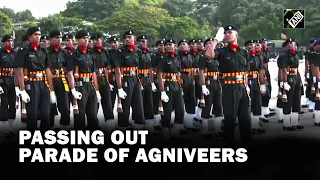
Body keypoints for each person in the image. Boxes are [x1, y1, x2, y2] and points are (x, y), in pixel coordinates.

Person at [205, 25, 252, 144]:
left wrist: (246, 86)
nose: (227, 34)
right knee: (230, 119)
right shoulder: (221, 52)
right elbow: (209, 55)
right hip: (229, 88)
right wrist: (216, 40)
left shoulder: (243, 52)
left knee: (245, 118)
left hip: (242, 87)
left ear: (236, 35)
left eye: (229, 32)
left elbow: (245, 71)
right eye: (225, 33)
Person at [15, 26, 56, 132]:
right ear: (29, 37)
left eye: (39, 34)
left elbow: (47, 70)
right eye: (35, 34)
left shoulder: (43, 50)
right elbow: (19, 71)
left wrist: (52, 91)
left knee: (45, 114)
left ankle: (44, 137)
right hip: (31, 85)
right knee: (32, 115)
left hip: (43, 83)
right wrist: (22, 90)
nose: (38, 36)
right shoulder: (23, 51)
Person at [67, 30, 100, 130]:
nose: (86, 40)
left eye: (87, 38)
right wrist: (73, 90)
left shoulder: (91, 54)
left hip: (90, 85)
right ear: (77, 40)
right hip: (79, 86)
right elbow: (70, 73)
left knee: (93, 114)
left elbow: (93, 73)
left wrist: (97, 90)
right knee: (80, 115)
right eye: (83, 38)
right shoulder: (73, 55)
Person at [115, 30, 145, 130]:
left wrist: (140, 81)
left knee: (138, 102)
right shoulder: (120, 51)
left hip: (136, 78)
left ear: (134, 39)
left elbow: (140, 67)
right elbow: (117, 70)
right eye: (125, 37)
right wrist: (119, 88)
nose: (127, 39)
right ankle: (123, 125)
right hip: (125, 78)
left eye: (129, 37)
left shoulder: (138, 51)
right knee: (125, 103)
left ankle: (138, 124)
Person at [157, 39, 187, 139]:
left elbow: (178, 73)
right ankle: (165, 131)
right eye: (167, 45)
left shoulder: (177, 58)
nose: (169, 46)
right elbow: (159, 75)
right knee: (167, 109)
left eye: (171, 44)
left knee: (180, 109)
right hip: (167, 84)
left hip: (176, 85)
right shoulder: (163, 58)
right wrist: (162, 91)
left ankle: (176, 130)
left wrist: (181, 86)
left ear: (174, 45)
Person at [198, 38, 223, 138]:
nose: (210, 45)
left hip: (217, 82)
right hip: (208, 82)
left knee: (218, 105)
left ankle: (217, 129)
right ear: (205, 46)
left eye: (211, 43)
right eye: (208, 43)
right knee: (207, 105)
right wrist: (203, 86)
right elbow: (201, 72)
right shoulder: (203, 56)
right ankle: (205, 130)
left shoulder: (217, 55)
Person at [47, 30, 71, 130]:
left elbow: (68, 68)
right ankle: (49, 127)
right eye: (56, 37)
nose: (59, 39)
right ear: (51, 39)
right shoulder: (46, 52)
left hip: (62, 80)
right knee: (50, 105)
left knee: (65, 105)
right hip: (49, 80)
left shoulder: (64, 52)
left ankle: (64, 127)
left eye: (60, 37)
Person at [278, 38, 303, 130]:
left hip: (296, 77)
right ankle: (287, 123)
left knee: (297, 99)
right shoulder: (284, 56)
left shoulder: (295, 54)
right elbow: (283, 70)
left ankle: (295, 121)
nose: (290, 45)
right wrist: (284, 82)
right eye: (288, 43)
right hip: (289, 79)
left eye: (292, 43)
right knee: (288, 101)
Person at [90, 32, 114, 127]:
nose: (96, 41)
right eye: (94, 40)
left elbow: (108, 67)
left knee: (107, 103)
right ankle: (93, 124)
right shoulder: (90, 52)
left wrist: (109, 81)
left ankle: (110, 123)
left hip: (104, 79)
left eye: (98, 39)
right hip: (94, 79)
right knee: (94, 104)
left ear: (102, 40)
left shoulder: (106, 52)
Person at [245, 39, 266, 133]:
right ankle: (248, 125)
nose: (251, 46)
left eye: (253, 44)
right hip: (248, 80)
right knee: (249, 102)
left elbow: (261, 70)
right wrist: (245, 84)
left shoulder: (259, 56)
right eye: (249, 45)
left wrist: (263, 83)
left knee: (257, 101)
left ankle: (256, 124)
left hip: (256, 80)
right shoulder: (245, 56)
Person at [0, 35, 17, 138]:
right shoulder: (1, 53)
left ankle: (11, 127)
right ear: (3, 42)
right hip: (3, 80)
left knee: (12, 103)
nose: (10, 43)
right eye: (8, 41)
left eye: (11, 41)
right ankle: (4, 128)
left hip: (13, 80)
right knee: (4, 102)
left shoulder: (15, 53)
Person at [151, 39, 165, 130]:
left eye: (162, 45)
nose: (161, 47)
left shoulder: (168, 55)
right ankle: (156, 120)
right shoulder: (154, 56)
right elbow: (152, 70)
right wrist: (152, 82)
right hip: (157, 79)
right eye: (159, 45)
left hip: (167, 80)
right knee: (157, 100)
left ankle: (164, 119)